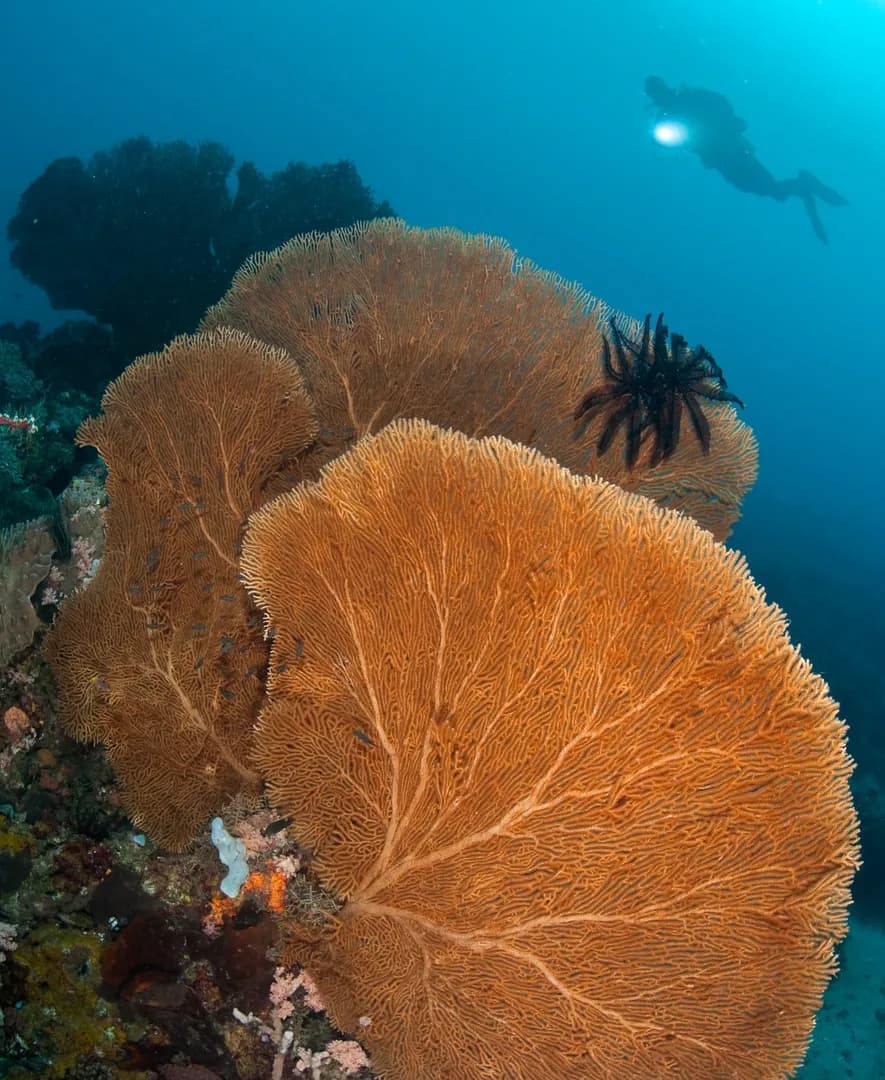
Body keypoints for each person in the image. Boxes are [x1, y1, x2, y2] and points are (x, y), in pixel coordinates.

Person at [644, 76, 848, 244]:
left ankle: (806, 184)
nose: (657, 95)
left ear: (663, 87)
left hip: (733, 150)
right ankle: (804, 187)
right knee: (756, 188)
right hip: (718, 158)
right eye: (653, 93)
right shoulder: (664, 116)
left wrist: (726, 124)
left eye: (658, 90)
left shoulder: (689, 96)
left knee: (768, 187)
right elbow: (665, 144)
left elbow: (721, 105)